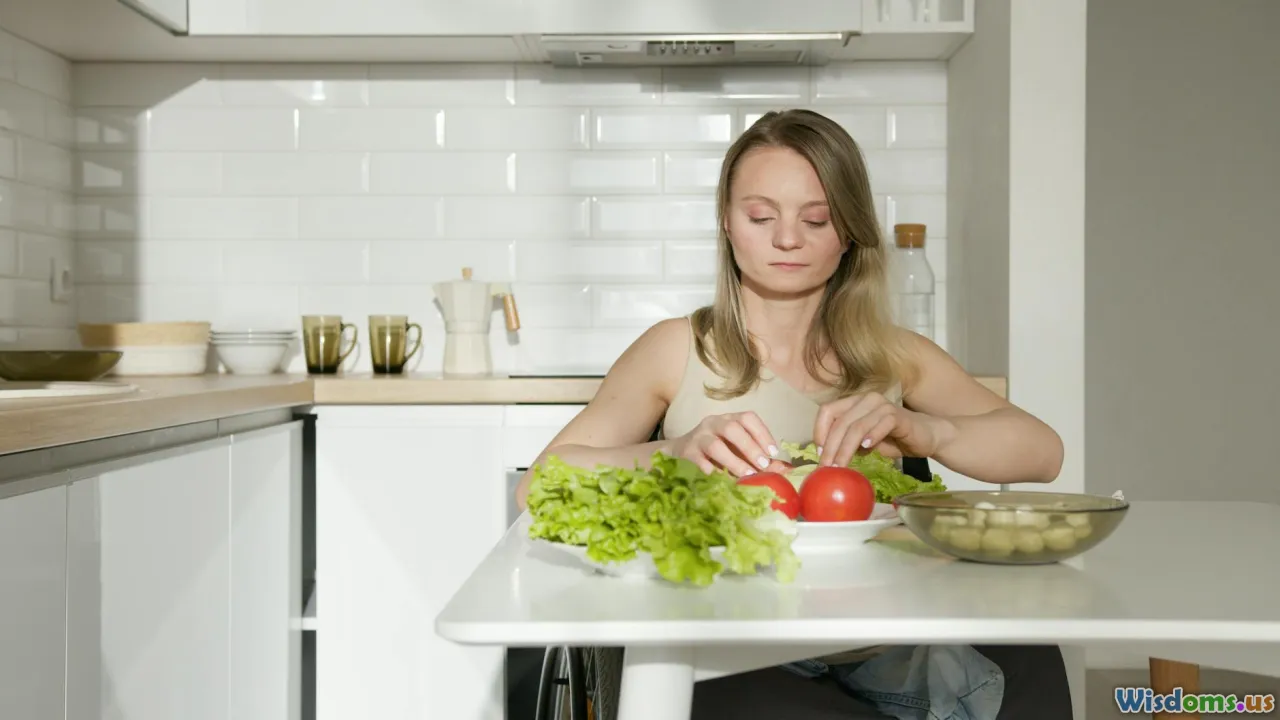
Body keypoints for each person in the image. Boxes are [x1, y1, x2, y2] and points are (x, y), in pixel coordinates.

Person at [512, 108, 1073, 719]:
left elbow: (1043, 453)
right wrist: (670, 454)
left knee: (1032, 652)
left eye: (816, 219)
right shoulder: (676, 348)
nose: (786, 239)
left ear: (851, 231)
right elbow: (540, 483)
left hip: (881, 641)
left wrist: (927, 429)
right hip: (736, 646)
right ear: (726, 223)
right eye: (760, 216)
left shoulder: (897, 356)